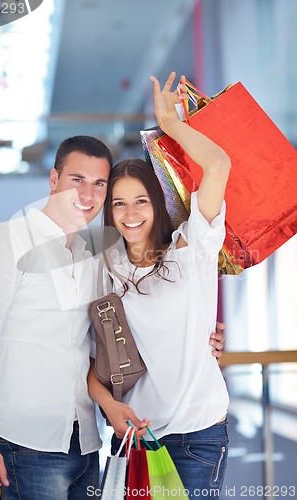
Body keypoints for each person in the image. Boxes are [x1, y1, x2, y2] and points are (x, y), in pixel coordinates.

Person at [0, 128, 226, 498]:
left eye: (99, 183)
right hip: (21, 442)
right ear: (54, 179)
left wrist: (202, 333)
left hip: (86, 446)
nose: (87, 194)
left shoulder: (95, 260)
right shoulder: (5, 241)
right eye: (77, 180)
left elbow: (93, 349)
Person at [88, 72, 231, 499]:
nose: (130, 214)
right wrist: (110, 408)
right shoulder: (105, 267)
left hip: (196, 436)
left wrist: (171, 126)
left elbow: (219, 165)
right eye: (119, 203)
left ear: (157, 203)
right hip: (133, 438)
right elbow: (90, 360)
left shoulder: (192, 249)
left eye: (141, 201)